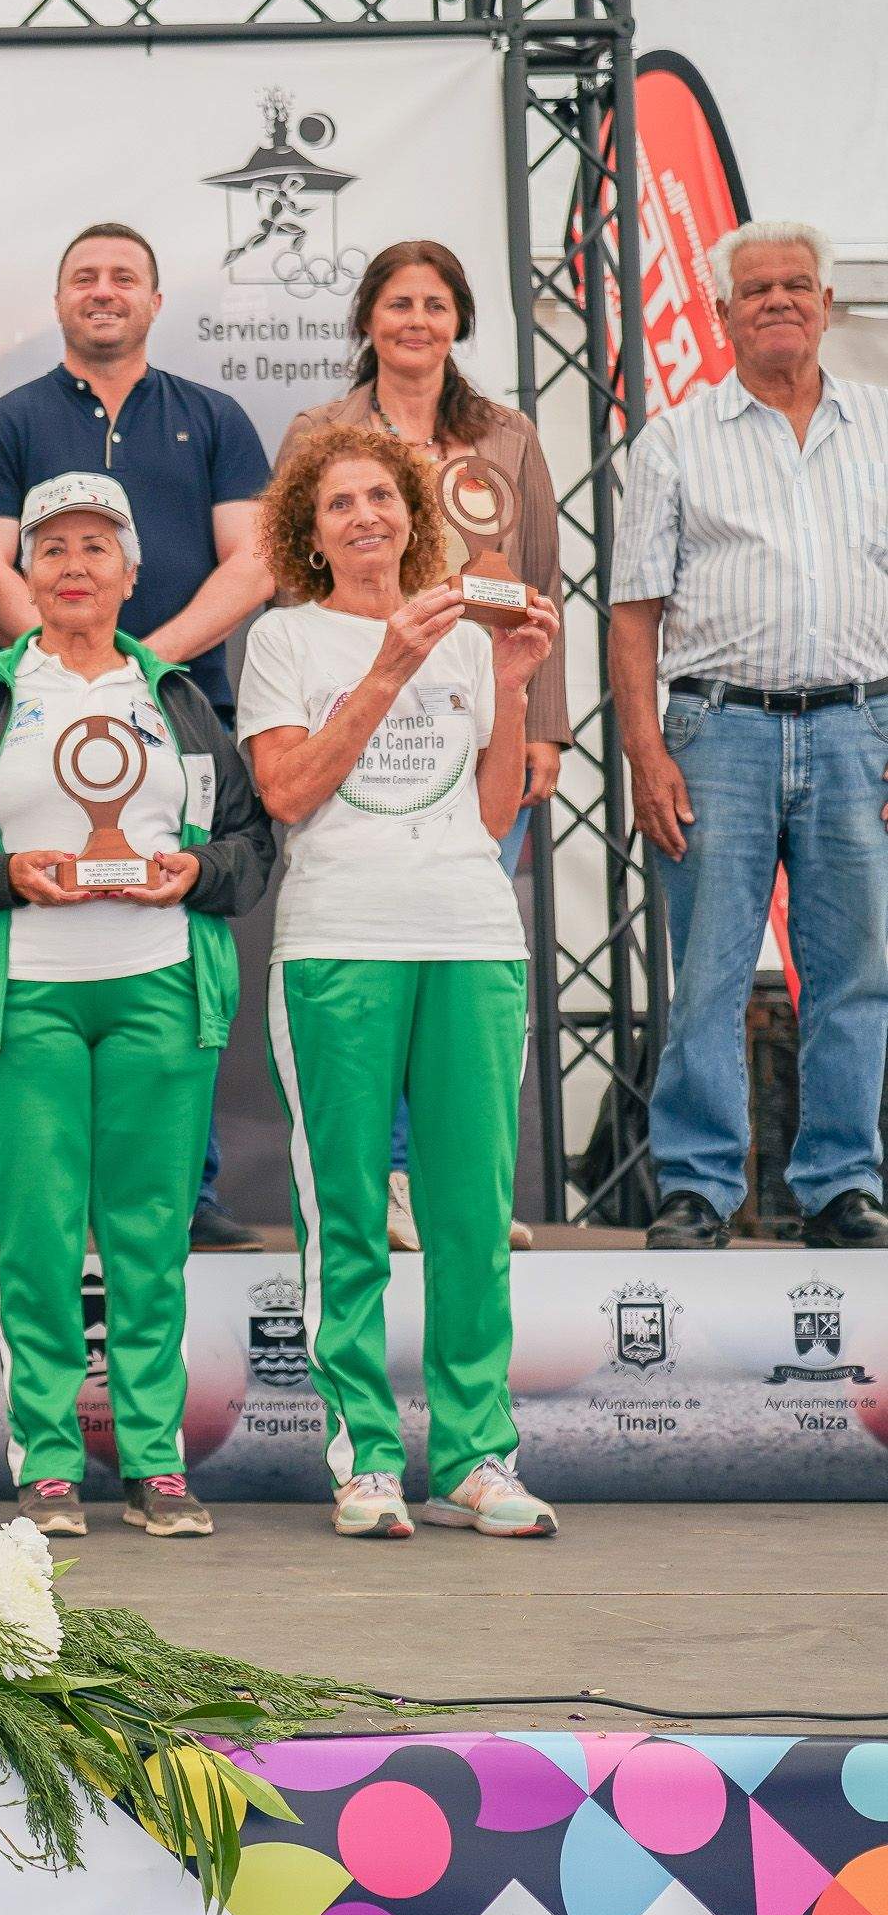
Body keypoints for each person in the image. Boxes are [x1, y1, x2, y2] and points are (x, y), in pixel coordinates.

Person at [0, 474, 278, 1540]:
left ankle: (156, 1462)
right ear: (24, 574)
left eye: (97, 547)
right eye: (52, 549)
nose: (74, 567)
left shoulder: (178, 696)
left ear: (133, 572)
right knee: (41, 1237)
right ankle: (48, 1462)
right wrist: (7, 873)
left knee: (150, 1236)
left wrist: (194, 873)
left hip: (159, 989)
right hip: (24, 1000)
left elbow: (251, 850)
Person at [241, 425, 562, 1541]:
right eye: (341, 504)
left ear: (415, 513)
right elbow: (286, 791)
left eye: (383, 495)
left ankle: (478, 1456)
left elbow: (486, 819)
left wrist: (513, 682)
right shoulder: (284, 640)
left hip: (471, 934)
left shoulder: (471, 638)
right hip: (339, 939)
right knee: (348, 1214)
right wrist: (389, 664)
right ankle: (366, 1458)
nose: (368, 515)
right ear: (310, 531)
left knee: (471, 1213)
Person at [0, 224, 274, 1251]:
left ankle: (189, 1186)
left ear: (154, 298)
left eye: (123, 278)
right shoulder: (6, 422)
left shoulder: (215, 418)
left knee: (175, 945)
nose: (104, 292)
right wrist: (71, 660)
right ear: (58, 302)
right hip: (37, 715)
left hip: (186, 714)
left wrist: (147, 668)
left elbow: (253, 563)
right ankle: (56, 1201)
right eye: (84, 278)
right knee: (55, 951)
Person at [285, 239, 568, 1254]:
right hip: (364, 715)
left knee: (463, 955)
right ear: (367, 318)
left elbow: (542, 579)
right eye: (398, 302)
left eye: (435, 303)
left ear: (460, 320)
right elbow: (290, 576)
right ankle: (389, 1184)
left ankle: (456, 1187)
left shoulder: (508, 437)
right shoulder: (324, 432)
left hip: (482, 713)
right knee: (378, 962)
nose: (416, 320)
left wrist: (543, 725)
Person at [611, 220, 888, 1253]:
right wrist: (647, 754)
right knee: (711, 975)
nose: (778, 301)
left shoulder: (883, 424)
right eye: (755, 289)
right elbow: (632, 611)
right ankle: (698, 1188)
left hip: (864, 723)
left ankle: (840, 1186)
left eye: (796, 286)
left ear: (826, 305)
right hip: (715, 733)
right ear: (722, 314)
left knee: (854, 971)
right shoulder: (676, 437)